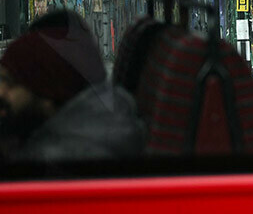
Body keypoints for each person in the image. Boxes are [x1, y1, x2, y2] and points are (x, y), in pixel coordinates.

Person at [0, 10, 145, 162]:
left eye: (11, 82)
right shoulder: (106, 129)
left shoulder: (52, 159)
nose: (1, 92)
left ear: (47, 90)